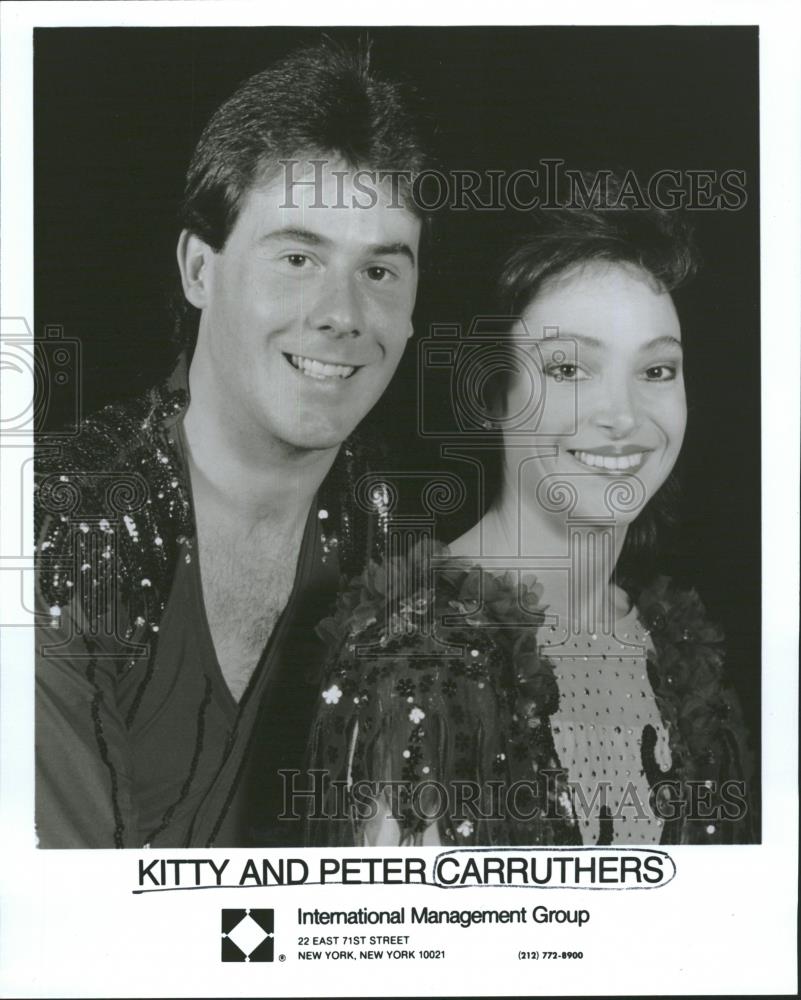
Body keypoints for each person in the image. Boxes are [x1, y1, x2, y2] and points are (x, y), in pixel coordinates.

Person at [34, 40, 431, 848]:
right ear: (198, 270)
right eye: (296, 256)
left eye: (380, 273)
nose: (342, 314)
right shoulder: (52, 527)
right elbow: (68, 938)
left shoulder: (393, 544)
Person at [307, 188, 754, 847]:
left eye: (656, 369)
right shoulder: (413, 655)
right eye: (570, 368)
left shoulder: (680, 655)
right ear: (492, 394)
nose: (623, 416)